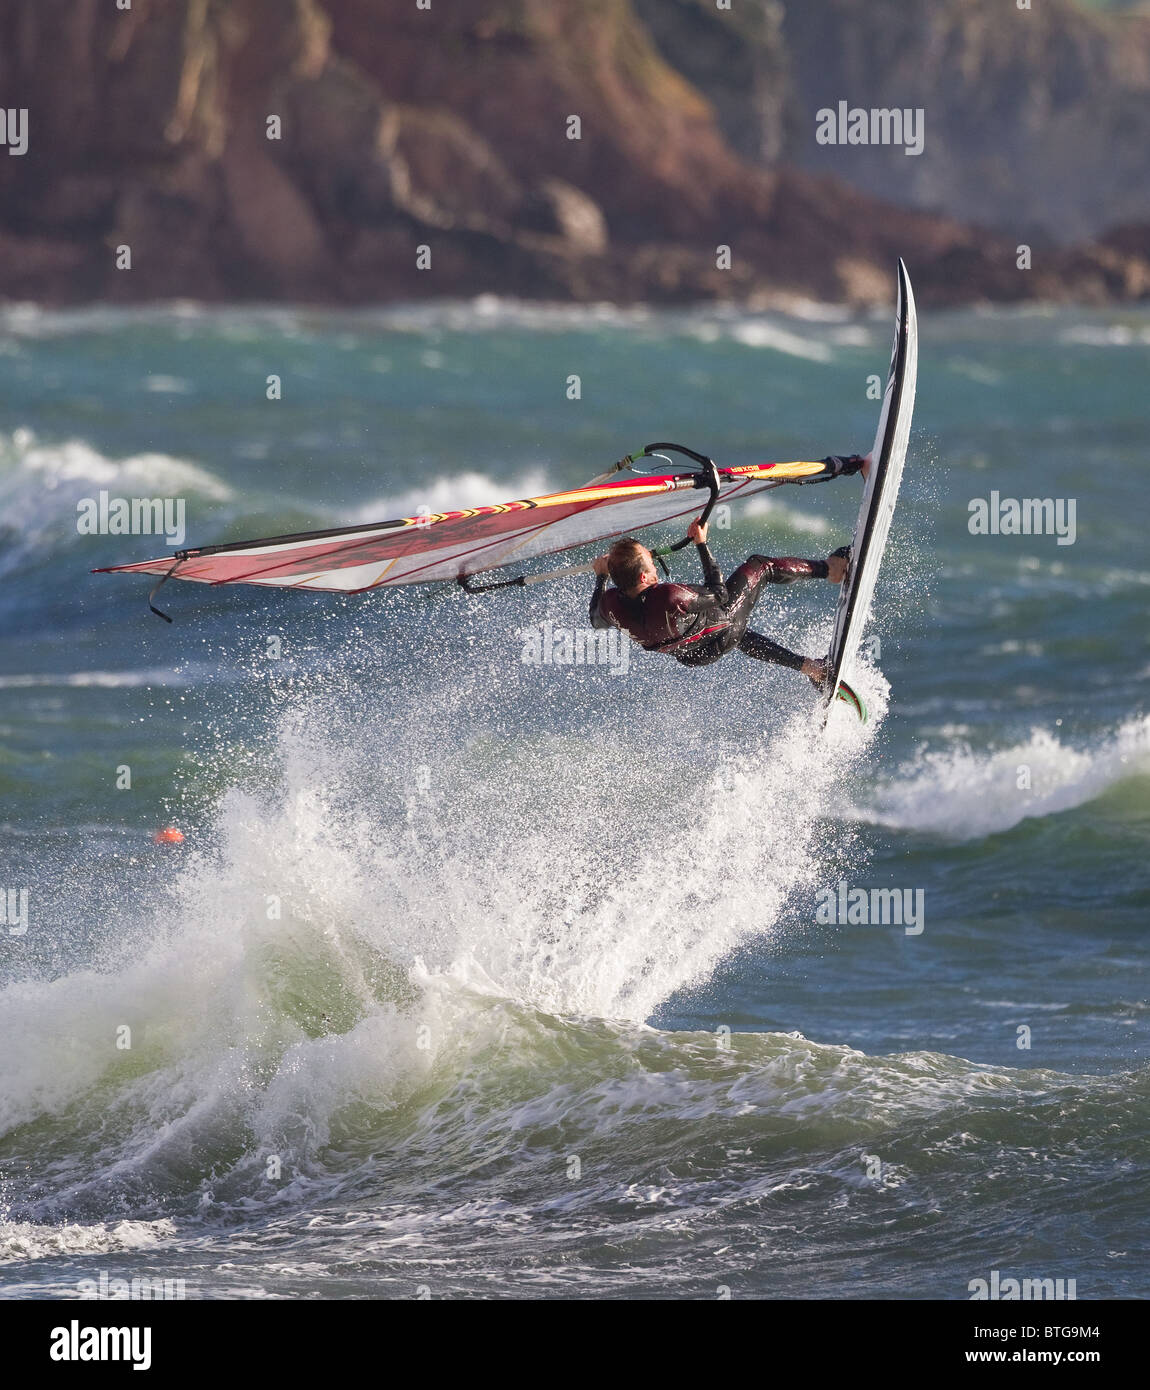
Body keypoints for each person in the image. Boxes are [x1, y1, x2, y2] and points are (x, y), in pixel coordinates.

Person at [588, 453, 869, 687]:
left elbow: (595, 620)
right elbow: (720, 593)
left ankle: (813, 669)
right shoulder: (670, 597)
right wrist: (701, 543)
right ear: (643, 577)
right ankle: (831, 569)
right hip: (716, 630)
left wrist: (601, 576)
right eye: (649, 560)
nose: (653, 560)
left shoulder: (612, 604)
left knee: (732, 629)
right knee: (761, 567)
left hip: (692, 654)